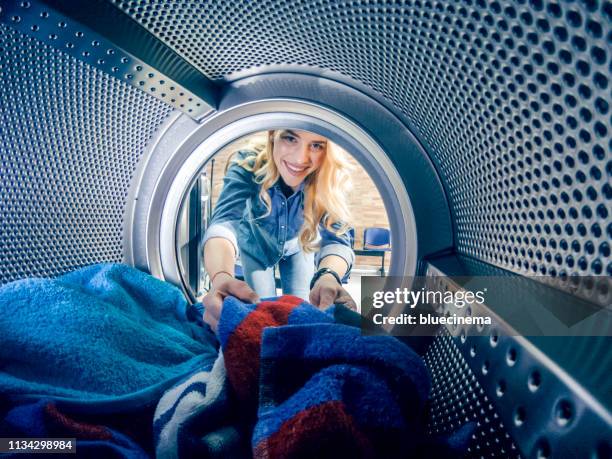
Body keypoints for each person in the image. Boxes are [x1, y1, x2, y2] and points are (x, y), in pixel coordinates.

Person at [201, 129, 357, 331]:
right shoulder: (249, 162)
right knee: (262, 311)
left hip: (298, 247)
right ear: (273, 135)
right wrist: (220, 276)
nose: (301, 158)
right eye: (290, 138)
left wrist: (328, 275)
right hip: (256, 247)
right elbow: (225, 222)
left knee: (300, 311)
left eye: (317, 145)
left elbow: (337, 239)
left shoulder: (328, 173)